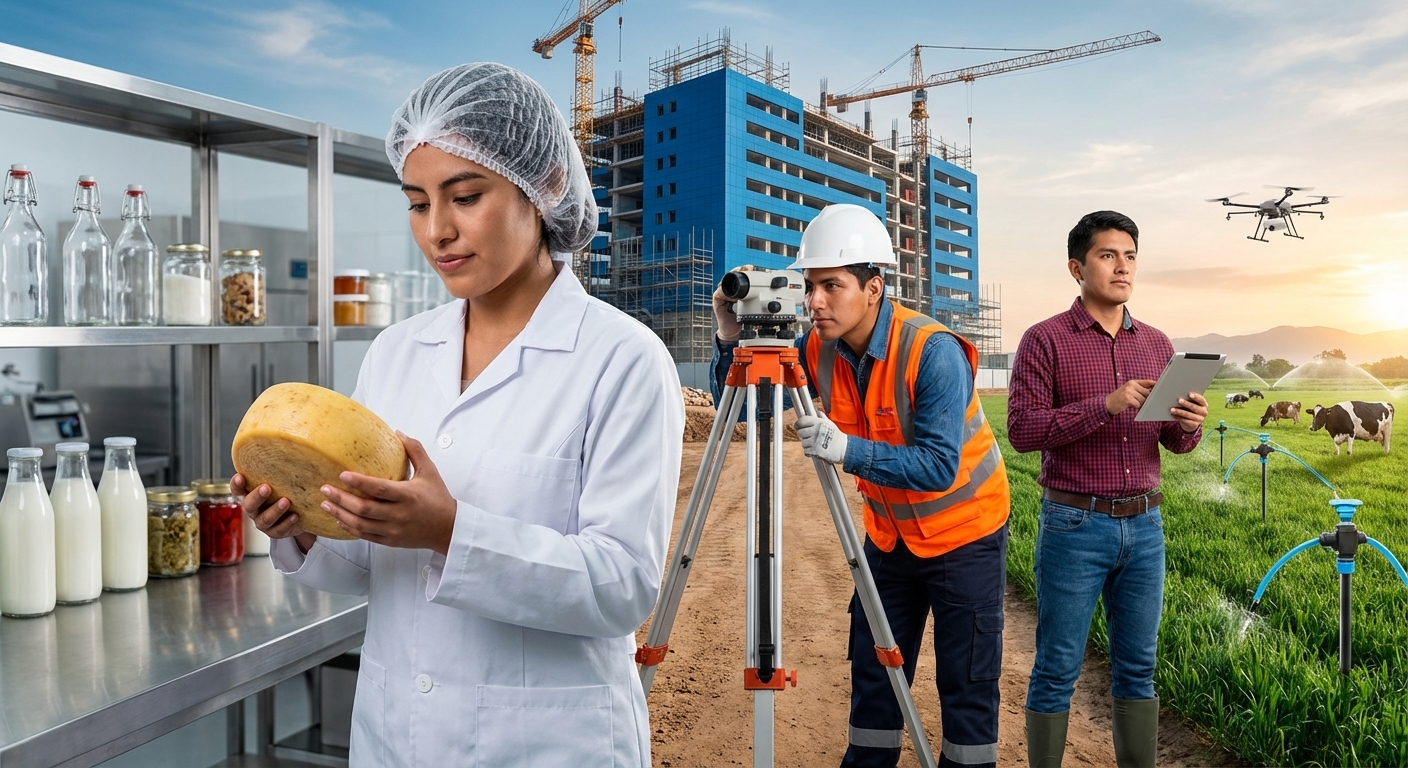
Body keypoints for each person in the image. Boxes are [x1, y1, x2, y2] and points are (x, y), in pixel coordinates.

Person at [233, 63, 684, 768]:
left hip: (547, 745)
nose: (438, 230)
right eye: (417, 204)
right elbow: (366, 565)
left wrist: (450, 532)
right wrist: (303, 526)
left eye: (465, 196)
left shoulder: (621, 358)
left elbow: (623, 586)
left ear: (547, 185)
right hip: (396, 737)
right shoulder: (396, 352)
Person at [710, 204, 1011, 768]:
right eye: (809, 286)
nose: (815, 301)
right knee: (874, 677)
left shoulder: (933, 351)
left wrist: (847, 449)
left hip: (964, 536)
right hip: (890, 538)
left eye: (832, 286)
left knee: (966, 687)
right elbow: (749, 408)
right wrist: (731, 334)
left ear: (874, 288)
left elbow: (939, 467)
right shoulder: (817, 347)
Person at [1007, 210, 1208, 768]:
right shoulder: (1045, 340)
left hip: (1145, 528)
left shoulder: (1157, 344)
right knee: (1057, 668)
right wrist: (1106, 405)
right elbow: (1022, 431)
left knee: (1138, 668)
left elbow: (1173, 442)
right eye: (1108, 255)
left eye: (1130, 256)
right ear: (1077, 268)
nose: (1123, 267)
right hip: (1074, 526)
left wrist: (1189, 424)